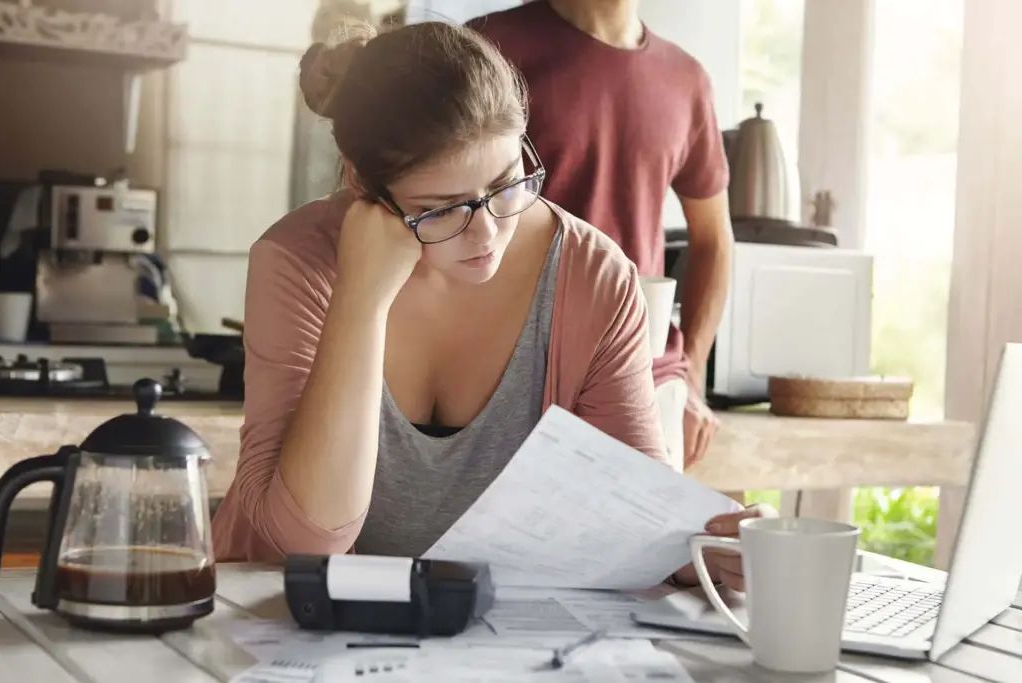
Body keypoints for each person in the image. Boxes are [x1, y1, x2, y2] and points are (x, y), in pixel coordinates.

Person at [211, 20, 762, 591]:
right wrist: (360, 299)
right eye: (442, 209)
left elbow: (640, 515)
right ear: (362, 186)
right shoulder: (297, 261)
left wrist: (710, 544)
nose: (487, 234)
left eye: (506, 183)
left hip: (492, 643)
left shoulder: (592, 275)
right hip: (280, 629)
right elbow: (307, 538)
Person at [468, 1, 733, 468]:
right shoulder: (489, 47)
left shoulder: (686, 79)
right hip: (506, 373)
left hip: (647, 377)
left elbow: (713, 240)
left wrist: (689, 374)